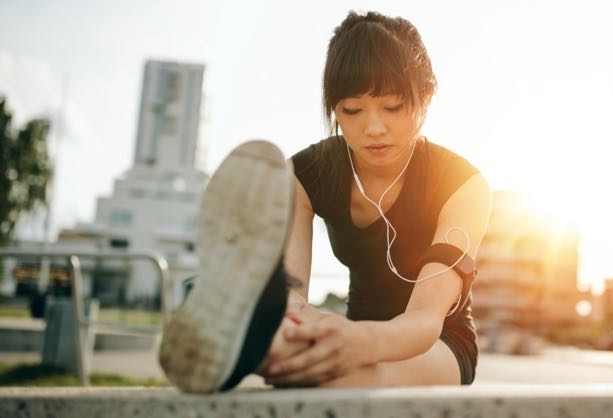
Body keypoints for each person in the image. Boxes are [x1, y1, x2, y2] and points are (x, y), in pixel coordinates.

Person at [158, 10, 492, 393]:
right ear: (334, 108)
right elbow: (294, 293)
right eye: (351, 110)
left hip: (438, 343)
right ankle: (258, 338)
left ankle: (253, 349)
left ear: (426, 98)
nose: (373, 127)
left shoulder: (463, 184)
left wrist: (359, 343)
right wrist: (302, 323)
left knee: (368, 377)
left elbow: (426, 318)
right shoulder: (303, 174)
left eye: (393, 106)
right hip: (352, 330)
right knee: (314, 364)